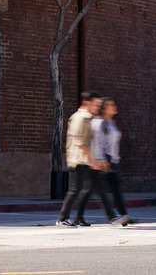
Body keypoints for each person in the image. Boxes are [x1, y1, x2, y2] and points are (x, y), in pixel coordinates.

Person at [56, 91, 103, 227]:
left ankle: (78, 217)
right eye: (95, 104)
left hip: (84, 159)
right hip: (79, 159)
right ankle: (63, 218)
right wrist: (92, 160)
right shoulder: (80, 118)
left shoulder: (87, 118)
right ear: (86, 103)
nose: (97, 108)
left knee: (84, 188)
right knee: (74, 189)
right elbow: (79, 142)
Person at [91, 97, 131, 226]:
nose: (114, 106)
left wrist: (114, 159)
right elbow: (100, 143)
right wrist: (103, 159)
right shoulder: (100, 123)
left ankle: (123, 216)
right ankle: (113, 217)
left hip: (111, 160)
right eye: (110, 105)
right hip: (103, 160)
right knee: (95, 190)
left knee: (115, 188)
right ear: (104, 109)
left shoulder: (111, 122)